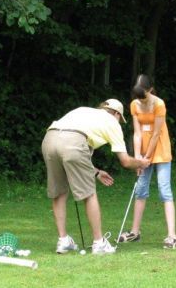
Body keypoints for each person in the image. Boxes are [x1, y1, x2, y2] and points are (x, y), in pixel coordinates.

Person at [42, 99, 150, 255]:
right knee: (89, 193)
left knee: (59, 192)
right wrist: (140, 163)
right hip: (73, 141)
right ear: (117, 114)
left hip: (49, 139)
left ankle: (63, 241)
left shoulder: (83, 110)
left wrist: (96, 172)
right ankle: (99, 243)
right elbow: (126, 161)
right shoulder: (113, 123)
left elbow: (73, 150)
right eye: (120, 118)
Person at [118, 74, 176, 249]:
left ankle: (172, 235)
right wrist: (138, 159)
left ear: (150, 90)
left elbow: (156, 134)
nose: (142, 102)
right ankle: (135, 232)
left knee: (164, 189)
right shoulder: (134, 105)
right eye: (139, 98)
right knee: (141, 189)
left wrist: (147, 158)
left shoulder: (159, 104)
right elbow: (137, 133)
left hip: (160, 149)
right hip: (143, 151)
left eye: (143, 97)